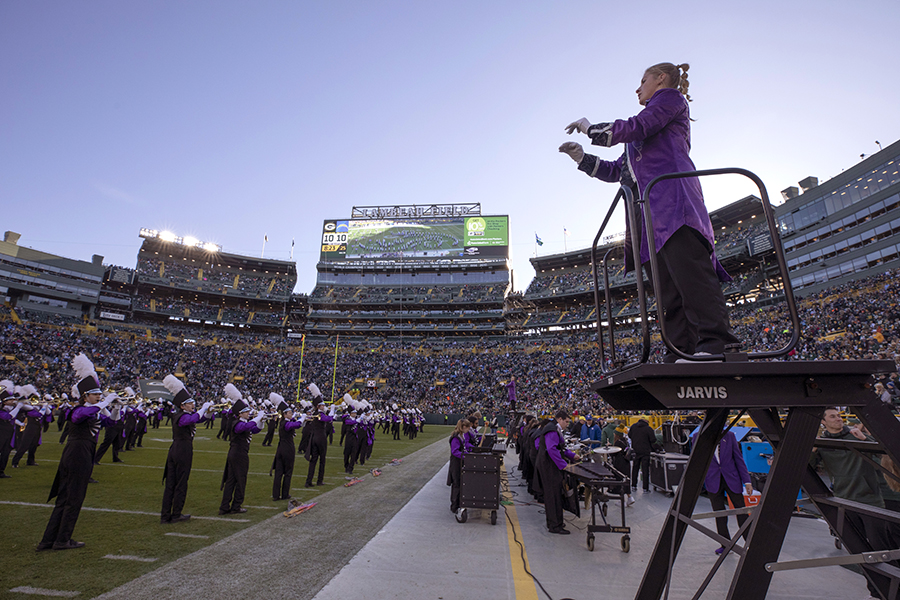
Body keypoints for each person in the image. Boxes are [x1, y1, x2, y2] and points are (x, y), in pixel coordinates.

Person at [559, 62, 739, 362]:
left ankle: (717, 341)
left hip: (672, 202)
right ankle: (681, 347)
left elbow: (637, 125)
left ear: (661, 79)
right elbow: (618, 171)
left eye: (643, 80)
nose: (637, 87)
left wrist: (592, 128)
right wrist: (581, 158)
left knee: (691, 276)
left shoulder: (669, 99)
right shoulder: (640, 135)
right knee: (667, 289)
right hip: (648, 215)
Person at [811, 408, 892, 599]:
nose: (838, 419)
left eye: (839, 415)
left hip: (870, 500)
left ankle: (893, 589)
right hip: (844, 502)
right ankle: (876, 590)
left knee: (882, 549)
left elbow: (884, 455)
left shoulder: (856, 436)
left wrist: (864, 439)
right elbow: (806, 465)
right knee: (859, 551)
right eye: (833, 416)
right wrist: (812, 449)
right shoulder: (822, 444)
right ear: (823, 422)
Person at [37, 353, 113, 551]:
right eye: (95, 394)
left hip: (83, 453)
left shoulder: (93, 409)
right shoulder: (77, 409)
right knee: (72, 498)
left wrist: (114, 407)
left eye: (99, 394)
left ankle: (49, 540)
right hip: (76, 454)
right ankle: (62, 539)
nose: (99, 396)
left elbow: (113, 423)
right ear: (85, 396)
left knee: (67, 498)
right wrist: (103, 403)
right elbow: (82, 415)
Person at [160, 375, 214, 524]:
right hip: (182, 450)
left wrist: (208, 411)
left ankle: (166, 515)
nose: (193, 405)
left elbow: (202, 418)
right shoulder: (181, 416)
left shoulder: (184, 415)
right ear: (182, 406)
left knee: (172, 483)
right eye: (190, 403)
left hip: (176, 450)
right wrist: (203, 408)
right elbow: (192, 419)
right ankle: (175, 514)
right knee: (179, 483)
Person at [693, 429, 753, 554]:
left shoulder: (729, 436)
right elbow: (697, 461)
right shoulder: (698, 437)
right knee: (719, 514)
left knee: (741, 511)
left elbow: (738, 459)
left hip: (732, 479)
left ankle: (750, 543)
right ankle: (725, 544)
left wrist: (747, 482)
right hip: (712, 480)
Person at [219, 386, 264, 515]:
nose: (248, 413)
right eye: (246, 411)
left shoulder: (243, 421)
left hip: (236, 454)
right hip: (238, 455)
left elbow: (255, 430)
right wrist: (256, 418)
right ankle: (235, 506)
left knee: (232, 481)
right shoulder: (237, 422)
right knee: (240, 480)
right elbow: (244, 427)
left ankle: (225, 507)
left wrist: (261, 422)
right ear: (240, 413)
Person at [534, 409, 577, 534]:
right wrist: (563, 465)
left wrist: (573, 456)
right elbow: (552, 449)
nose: (567, 424)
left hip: (550, 466)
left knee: (555, 494)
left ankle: (556, 521)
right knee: (553, 496)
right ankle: (554, 525)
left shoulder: (555, 429)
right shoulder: (552, 430)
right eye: (566, 422)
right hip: (549, 467)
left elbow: (561, 448)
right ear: (559, 419)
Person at [270, 394, 303, 501]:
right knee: (288, 472)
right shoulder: (286, 423)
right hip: (287, 449)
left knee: (279, 473)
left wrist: (296, 417)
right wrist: (302, 419)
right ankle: (284, 494)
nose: (291, 414)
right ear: (284, 414)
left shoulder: (283, 422)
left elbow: (292, 421)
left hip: (280, 448)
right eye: (290, 413)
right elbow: (296, 425)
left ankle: (276, 495)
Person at [628, 418, 661, 493]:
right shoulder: (648, 429)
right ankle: (645, 488)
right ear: (646, 421)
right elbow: (653, 440)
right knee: (645, 469)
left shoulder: (633, 427)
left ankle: (633, 485)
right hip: (645, 451)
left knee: (635, 468)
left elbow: (629, 435)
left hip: (635, 450)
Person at [447, 418, 472, 518]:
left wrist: (467, 454)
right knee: (456, 484)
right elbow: (455, 451)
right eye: (467, 427)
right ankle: (454, 506)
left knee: (459, 483)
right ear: (463, 427)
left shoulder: (460, 436)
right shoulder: (455, 438)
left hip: (459, 462)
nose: (468, 429)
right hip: (456, 463)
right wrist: (465, 455)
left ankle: (457, 503)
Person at [0, 380, 24, 478]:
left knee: (6, 453)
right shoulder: (1, 410)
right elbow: (8, 417)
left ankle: (1, 471)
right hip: (1, 433)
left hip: (9, 434)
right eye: (10, 400)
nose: (12, 401)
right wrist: (18, 407)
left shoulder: (10, 408)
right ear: (5, 401)